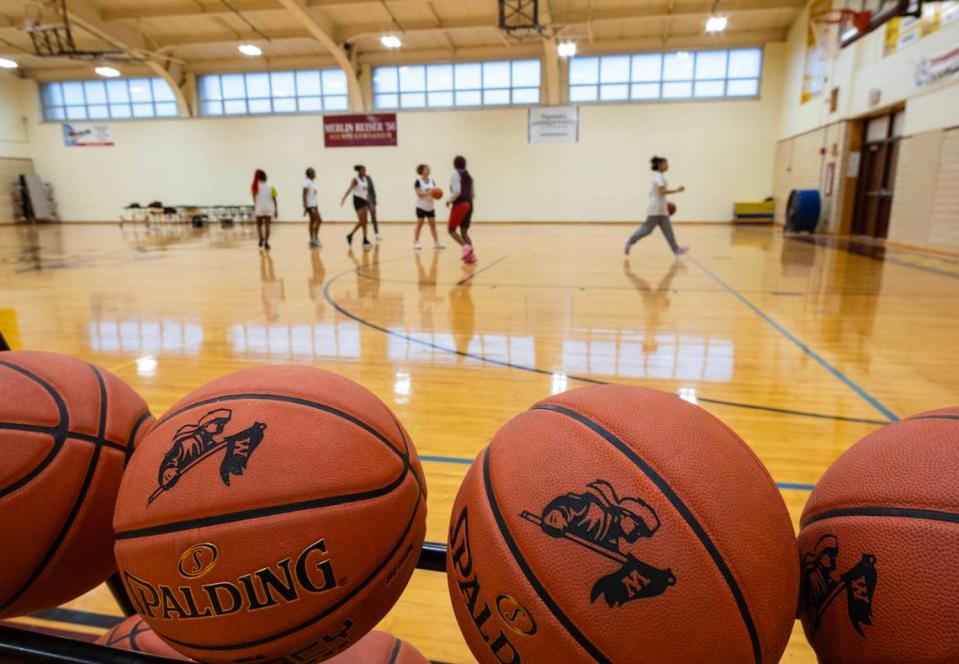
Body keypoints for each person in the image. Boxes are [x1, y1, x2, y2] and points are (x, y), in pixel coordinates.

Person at [624, 156, 688, 256]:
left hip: (662, 209)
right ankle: (629, 240)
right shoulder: (657, 176)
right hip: (655, 209)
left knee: (668, 231)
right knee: (647, 230)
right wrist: (676, 190)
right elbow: (661, 191)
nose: (668, 166)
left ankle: (676, 249)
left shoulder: (660, 176)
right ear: (660, 165)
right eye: (666, 164)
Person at [447, 155, 476, 264]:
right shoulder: (469, 176)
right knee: (464, 232)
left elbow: (457, 192)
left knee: (451, 230)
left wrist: (448, 200)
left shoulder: (455, 174)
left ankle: (465, 247)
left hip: (460, 204)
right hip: (470, 204)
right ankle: (471, 256)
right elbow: (473, 194)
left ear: (454, 164)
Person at [413, 164, 444, 251]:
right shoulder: (418, 181)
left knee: (433, 225)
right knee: (420, 224)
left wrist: (437, 195)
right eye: (426, 169)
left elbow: (434, 193)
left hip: (430, 206)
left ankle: (436, 242)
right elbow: (418, 194)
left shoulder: (432, 181)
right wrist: (429, 192)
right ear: (422, 171)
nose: (428, 170)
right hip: (421, 206)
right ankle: (416, 242)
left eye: (429, 169)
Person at [340, 165, 372, 249]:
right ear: (359, 171)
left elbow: (366, 192)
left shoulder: (365, 179)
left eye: (365, 170)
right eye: (363, 170)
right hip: (357, 200)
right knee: (361, 221)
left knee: (365, 221)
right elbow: (350, 189)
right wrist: (344, 198)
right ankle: (350, 235)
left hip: (364, 201)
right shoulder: (355, 179)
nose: (365, 171)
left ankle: (365, 239)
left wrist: (368, 201)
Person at [252, 169, 277, 250]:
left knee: (259, 225)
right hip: (269, 207)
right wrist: (276, 209)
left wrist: (256, 206)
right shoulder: (271, 185)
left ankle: (261, 239)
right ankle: (266, 242)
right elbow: (274, 198)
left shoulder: (255, 185)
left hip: (259, 207)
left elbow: (254, 198)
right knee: (267, 226)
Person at [303, 167, 322, 247]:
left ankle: (313, 240)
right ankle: (314, 239)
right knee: (318, 220)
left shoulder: (311, 182)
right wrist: (305, 206)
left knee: (313, 221)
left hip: (314, 205)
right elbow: (303, 194)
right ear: (309, 174)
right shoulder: (307, 182)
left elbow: (311, 193)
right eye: (313, 172)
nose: (315, 174)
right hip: (310, 206)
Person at [366, 172, 382, 242]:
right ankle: (365, 237)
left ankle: (376, 234)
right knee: (364, 220)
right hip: (362, 201)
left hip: (371, 200)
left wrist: (374, 199)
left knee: (374, 217)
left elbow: (372, 189)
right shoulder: (357, 179)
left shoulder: (368, 178)